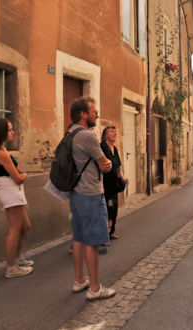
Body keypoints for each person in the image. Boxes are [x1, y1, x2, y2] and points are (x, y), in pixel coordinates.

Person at [68, 96, 116, 301]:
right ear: (83, 114)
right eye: (94, 111)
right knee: (93, 241)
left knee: (78, 237)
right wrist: (107, 164)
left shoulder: (70, 132)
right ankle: (95, 288)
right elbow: (105, 163)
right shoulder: (87, 136)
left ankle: (80, 280)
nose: (97, 115)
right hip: (90, 193)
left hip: (76, 192)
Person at [0, 118, 33, 278]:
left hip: (10, 189)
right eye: (10, 129)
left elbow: (14, 172)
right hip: (9, 190)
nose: (13, 132)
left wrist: (19, 173)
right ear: (1, 132)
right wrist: (23, 175)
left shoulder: (1, 150)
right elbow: (18, 177)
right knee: (14, 229)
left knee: (25, 226)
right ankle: (11, 267)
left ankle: (16, 259)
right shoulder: (0, 152)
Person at [100, 126, 128, 242]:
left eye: (116, 132)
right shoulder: (102, 147)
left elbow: (117, 167)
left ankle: (110, 232)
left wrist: (123, 178)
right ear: (106, 135)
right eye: (112, 132)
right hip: (105, 185)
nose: (115, 134)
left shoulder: (114, 149)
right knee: (106, 209)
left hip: (114, 184)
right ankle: (104, 235)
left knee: (114, 209)